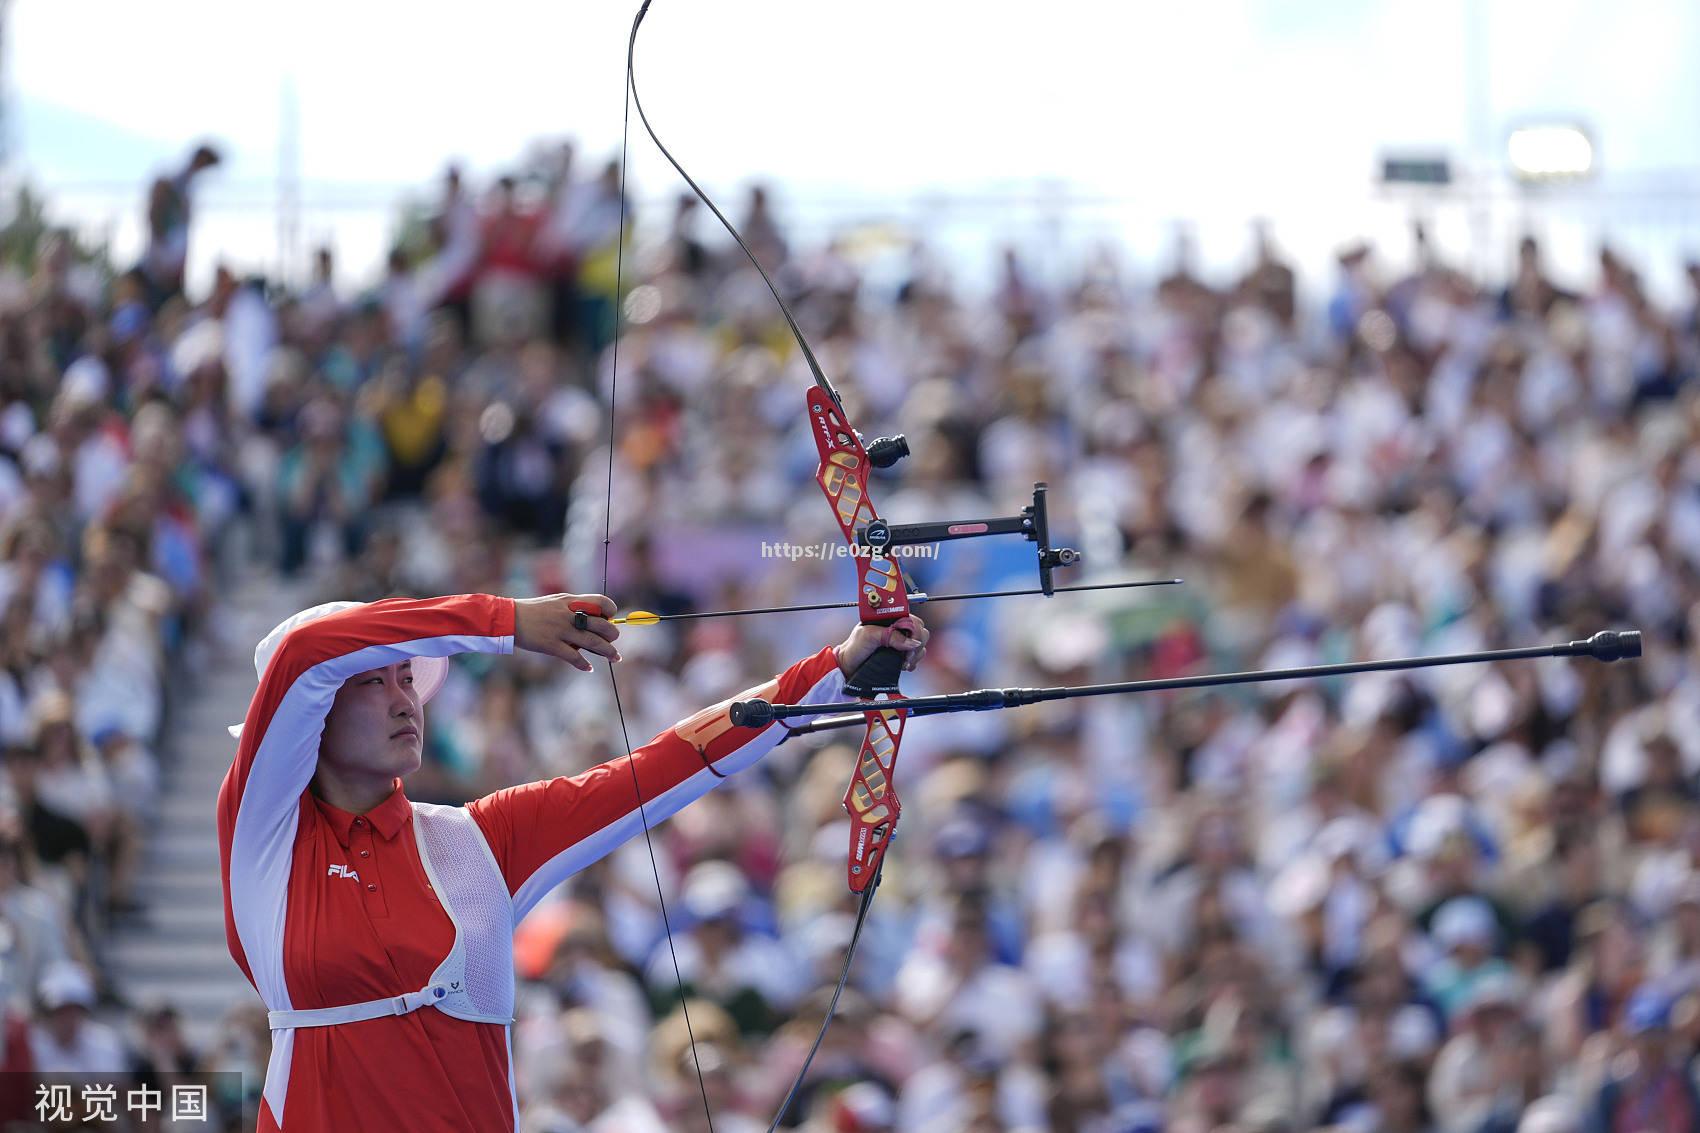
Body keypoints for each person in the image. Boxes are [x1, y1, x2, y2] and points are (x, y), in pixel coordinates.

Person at [216, 591, 928, 1132]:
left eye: (409, 678)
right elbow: (307, 652)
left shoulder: (478, 839)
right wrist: (508, 621)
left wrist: (834, 670)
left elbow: (663, 765)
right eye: (375, 682)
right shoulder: (264, 840)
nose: (406, 699)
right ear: (308, 714)